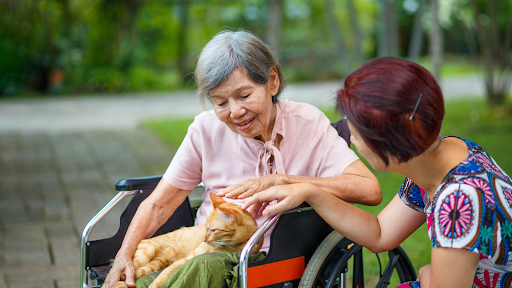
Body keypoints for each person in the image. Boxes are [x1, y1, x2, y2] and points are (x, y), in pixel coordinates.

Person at [103, 30, 381, 288]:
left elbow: (369, 189)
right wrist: (124, 255)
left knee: (201, 270)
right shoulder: (205, 130)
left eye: (244, 95)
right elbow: (158, 205)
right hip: (205, 247)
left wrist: (286, 180)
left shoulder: (306, 122)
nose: (235, 112)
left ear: (272, 81)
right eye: (221, 103)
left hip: (268, 258)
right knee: (132, 280)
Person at [243, 57, 512, 288]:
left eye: (356, 134)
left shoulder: (459, 201)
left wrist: (429, 276)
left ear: (387, 143)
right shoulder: (444, 154)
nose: (353, 141)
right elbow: (381, 233)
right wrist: (312, 192)